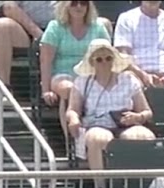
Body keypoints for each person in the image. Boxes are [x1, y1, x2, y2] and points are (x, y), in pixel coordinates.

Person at [63, 39, 155, 178]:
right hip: (96, 125)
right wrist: (73, 119)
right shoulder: (82, 82)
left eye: (108, 58)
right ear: (92, 62)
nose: (104, 62)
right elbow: (72, 110)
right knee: (98, 138)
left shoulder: (129, 80)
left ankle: (139, 186)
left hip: (126, 125)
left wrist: (137, 117)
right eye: (99, 59)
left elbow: (147, 112)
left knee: (141, 136)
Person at [38, 1, 111, 143]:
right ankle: (73, 143)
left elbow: (109, 55)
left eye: (83, 3)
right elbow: (45, 61)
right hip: (62, 75)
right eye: (73, 3)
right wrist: (45, 90)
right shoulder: (55, 27)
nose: (78, 6)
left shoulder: (98, 27)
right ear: (66, 6)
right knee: (70, 89)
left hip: (91, 75)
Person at [112, 0, 164, 87]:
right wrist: (143, 75)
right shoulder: (126, 19)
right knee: (131, 81)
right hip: (137, 76)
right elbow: (122, 55)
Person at [0, 0, 55, 86]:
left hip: (63, 28)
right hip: (28, 30)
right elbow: (9, 7)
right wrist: (38, 34)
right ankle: (3, 89)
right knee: (1, 26)